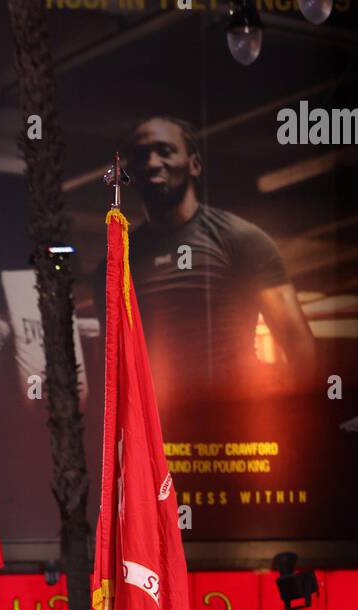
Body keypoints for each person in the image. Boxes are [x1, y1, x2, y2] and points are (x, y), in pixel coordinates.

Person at [114, 116, 315, 404]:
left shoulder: (241, 239)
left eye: (165, 151)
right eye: (141, 155)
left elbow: (297, 345)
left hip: (234, 418)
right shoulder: (120, 258)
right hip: (160, 425)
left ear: (194, 164)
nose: (152, 163)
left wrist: (297, 425)